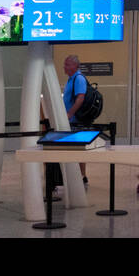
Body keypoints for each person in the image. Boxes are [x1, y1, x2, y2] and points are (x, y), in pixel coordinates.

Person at [61, 54, 90, 182]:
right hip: (71, 120)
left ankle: (82, 175)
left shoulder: (78, 79)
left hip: (75, 121)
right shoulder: (71, 79)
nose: (64, 66)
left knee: (78, 148)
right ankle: (78, 175)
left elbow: (80, 98)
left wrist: (69, 114)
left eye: (67, 64)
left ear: (75, 66)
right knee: (75, 147)